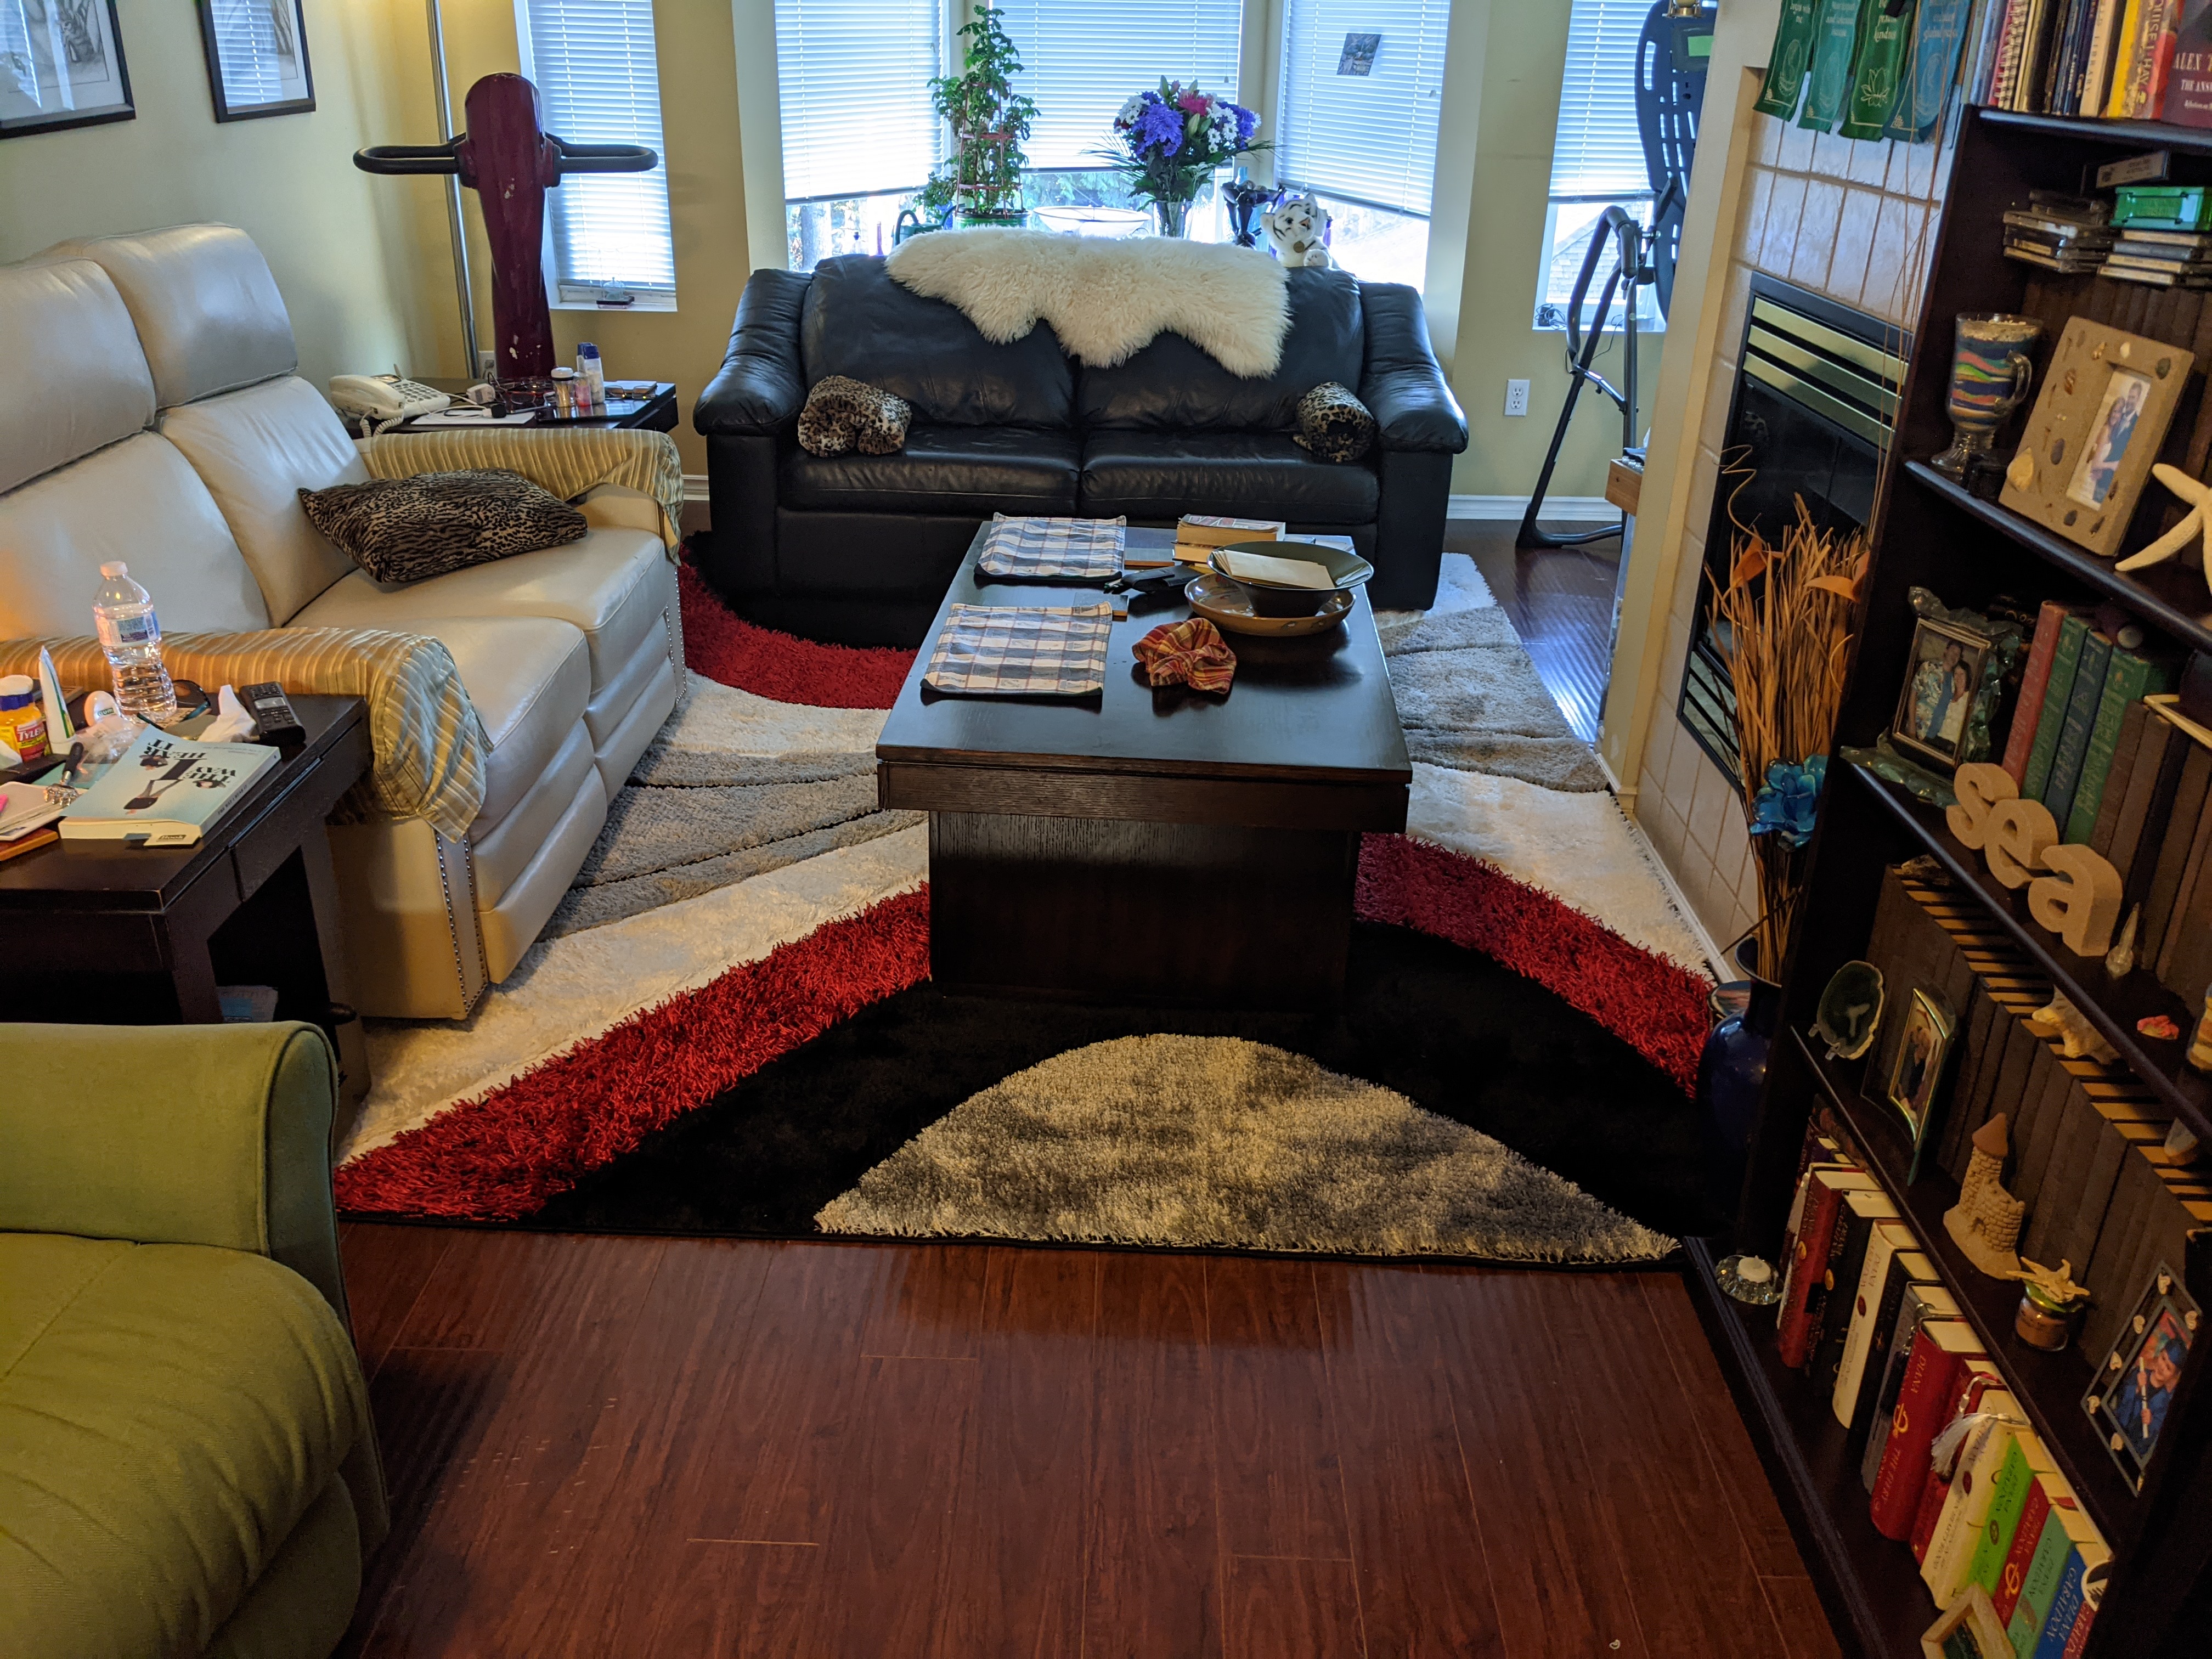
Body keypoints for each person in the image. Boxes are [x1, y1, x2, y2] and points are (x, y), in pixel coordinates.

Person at [2114, 1327, 2186, 1459]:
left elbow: (2148, 1443)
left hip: (2129, 1455)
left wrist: (2150, 1423)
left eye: (2169, 1368)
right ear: (2159, 1354)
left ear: (2174, 1376)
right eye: (2163, 1358)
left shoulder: (2165, 1404)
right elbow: (2118, 1402)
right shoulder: (2138, 1374)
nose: (2163, 1367)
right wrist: (2136, 1389)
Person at [1936, 661, 1973, 751]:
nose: (1959, 677)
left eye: (1962, 674)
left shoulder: (1970, 700)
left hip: (1953, 745)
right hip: (1937, 739)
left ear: (1967, 676)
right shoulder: (1947, 694)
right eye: (1956, 674)